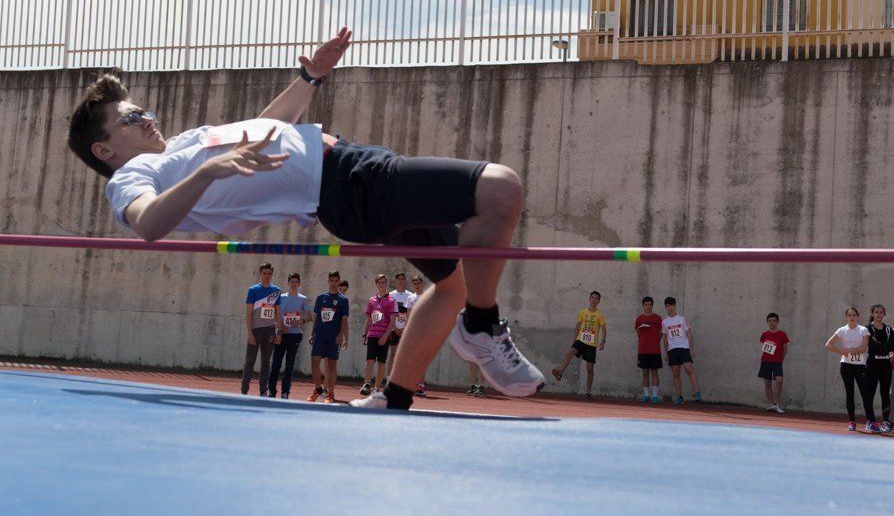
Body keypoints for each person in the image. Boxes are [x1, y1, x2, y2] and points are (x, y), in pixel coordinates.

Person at [67, 28, 545, 412]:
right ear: (104, 149)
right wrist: (210, 170)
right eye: (129, 119)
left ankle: (393, 396)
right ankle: (482, 325)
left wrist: (309, 77)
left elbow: (267, 127)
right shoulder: (132, 175)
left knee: (455, 284)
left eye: (142, 110)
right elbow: (148, 223)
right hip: (346, 184)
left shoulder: (180, 144)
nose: (146, 119)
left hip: (348, 171)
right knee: (501, 189)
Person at [825, 306, 876, 432]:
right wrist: (841, 351)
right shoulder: (842, 330)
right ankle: (852, 421)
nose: (852, 317)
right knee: (850, 393)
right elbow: (828, 344)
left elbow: (864, 348)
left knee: (866, 393)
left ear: (857, 316)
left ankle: (871, 421)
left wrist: (850, 350)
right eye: (849, 315)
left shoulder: (863, 330)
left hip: (860, 365)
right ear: (846, 317)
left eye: (854, 315)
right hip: (846, 365)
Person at [551, 291, 607, 400]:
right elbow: (577, 327)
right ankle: (560, 372)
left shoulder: (600, 315)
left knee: (590, 369)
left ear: (598, 301)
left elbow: (604, 330)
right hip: (580, 340)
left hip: (591, 344)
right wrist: (574, 340)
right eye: (592, 297)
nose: (594, 300)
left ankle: (588, 392)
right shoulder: (582, 312)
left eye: (596, 298)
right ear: (589, 299)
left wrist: (603, 341)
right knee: (569, 353)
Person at [307, 271, 349, 403]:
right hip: (320, 335)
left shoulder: (343, 300)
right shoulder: (321, 298)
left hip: (333, 337)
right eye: (331, 280)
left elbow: (344, 320)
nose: (334, 283)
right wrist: (311, 333)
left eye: (336, 280)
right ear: (328, 281)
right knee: (314, 363)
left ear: (339, 281)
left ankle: (330, 393)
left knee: (331, 366)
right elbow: (316, 317)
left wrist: (341, 336)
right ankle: (318, 389)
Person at [268, 272, 312, 399]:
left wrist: (301, 321)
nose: (293, 284)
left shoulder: (303, 299)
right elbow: (276, 316)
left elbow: (309, 316)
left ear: (299, 284)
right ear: (288, 283)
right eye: (291, 282)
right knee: (276, 364)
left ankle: (285, 392)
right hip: (281, 334)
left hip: (295, 335)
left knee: (289, 365)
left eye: (296, 282)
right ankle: (272, 390)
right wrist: (279, 330)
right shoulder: (281, 297)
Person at [241, 262, 281, 396]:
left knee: (265, 363)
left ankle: (263, 391)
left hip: (269, 331)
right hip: (256, 330)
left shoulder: (276, 291)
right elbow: (248, 314)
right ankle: (244, 390)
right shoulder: (253, 290)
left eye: (269, 274)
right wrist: (250, 333)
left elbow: (278, 314)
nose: (267, 276)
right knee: (250, 362)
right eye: (264, 273)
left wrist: (278, 332)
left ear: (272, 274)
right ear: (260, 274)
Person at [360, 274, 396, 396]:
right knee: (369, 360)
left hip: (383, 336)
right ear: (376, 284)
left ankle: (376, 388)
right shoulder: (372, 300)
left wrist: (385, 336)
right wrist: (365, 335)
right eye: (379, 282)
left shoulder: (391, 300)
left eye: (383, 282)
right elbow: (368, 320)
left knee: (381, 362)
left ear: (386, 284)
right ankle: (367, 384)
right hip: (372, 335)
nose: (381, 285)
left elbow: (392, 321)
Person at [660, 297, 701, 405]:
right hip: (672, 350)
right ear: (665, 307)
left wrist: (691, 349)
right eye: (668, 306)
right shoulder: (664, 322)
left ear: (675, 305)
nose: (670, 308)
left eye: (672, 305)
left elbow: (689, 334)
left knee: (688, 368)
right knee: (675, 373)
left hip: (684, 348)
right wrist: (666, 351)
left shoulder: (682, 319)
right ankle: (679, 396)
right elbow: (665, 337)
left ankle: (697, 392)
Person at [865, 304, 894, 432]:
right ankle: (870, 421)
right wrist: (883, 346)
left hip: (886, 366)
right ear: (872, 314)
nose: (879, 314)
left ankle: (886, 422)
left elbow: (892, 346)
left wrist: (881, 346)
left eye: (881, 312)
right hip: (872, 364)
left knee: (885, 394)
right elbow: (871, 345)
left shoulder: (889, 329)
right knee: (869, 394)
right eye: (876, 312)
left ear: (884, 314)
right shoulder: (867, 329)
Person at [386, 272, 418, 384]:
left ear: (405, 281)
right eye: (398, 278)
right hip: (394, 330)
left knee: (405, 356)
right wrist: (395, 328)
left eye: (402, 279)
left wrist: (405, 329)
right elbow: (388, 314)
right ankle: (389, 380)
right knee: (393, 354)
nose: (400, 281)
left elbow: (412, 314)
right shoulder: (390, 295)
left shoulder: (410, 296)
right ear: (395, 281)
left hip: (406, 331)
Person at [758, 312, 790, 413]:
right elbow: (764, 347)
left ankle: (776, 404)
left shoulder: (782, 334)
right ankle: (770, 404)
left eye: (774, 321)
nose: (772, 323)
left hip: (777, 362)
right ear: (767, 322)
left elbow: (785, 348)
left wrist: (781, 359)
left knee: (779, 381)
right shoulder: (764, 334)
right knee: (767, 383)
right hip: (765, 361)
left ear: (777, 322)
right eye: (770, 321)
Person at [635, 296, 663, 404]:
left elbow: (660, 334)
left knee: (654, 372)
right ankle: (646, 395)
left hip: (655, 350)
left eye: (650, 305)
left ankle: (655, 396)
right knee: (645, 372)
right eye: (646, 305)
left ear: (652, 305)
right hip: (643, 350)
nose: (648, 307)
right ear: (643, 306)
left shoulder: (657, 318)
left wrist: (654, 341)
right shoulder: (639, 319)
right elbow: (639, 334)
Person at [411, 275, 428, 396]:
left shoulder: (427, 297)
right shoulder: (411, 298)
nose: (416, 285)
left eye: (418, 282)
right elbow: (408, 315)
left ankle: (421, 384)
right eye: (414, 283)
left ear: (422, 283)